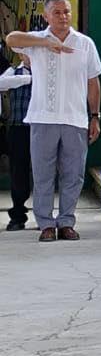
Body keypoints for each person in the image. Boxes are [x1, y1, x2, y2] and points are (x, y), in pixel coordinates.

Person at [6, 0, 101, 242]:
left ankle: (67, 222)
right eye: (57, 12)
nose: (63, 16)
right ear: (46, 16)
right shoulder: (35, 40)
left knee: (74, 174)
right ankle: (46, 224)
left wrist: (95, 116)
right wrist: (45, 42)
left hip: (75, 118)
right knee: (42, 174)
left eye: (66, 12)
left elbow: (93, 81)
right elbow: (11, 39)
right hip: (42, 117)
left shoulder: (84, 43)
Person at [0, 53, 33, 231]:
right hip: (18, 127)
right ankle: (18, 216)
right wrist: (29, 79)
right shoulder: (13, 71)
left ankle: (45, 216)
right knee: (18, 172)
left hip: (41, 127)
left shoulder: (46, 71)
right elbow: (1, 83)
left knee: (44, 173)